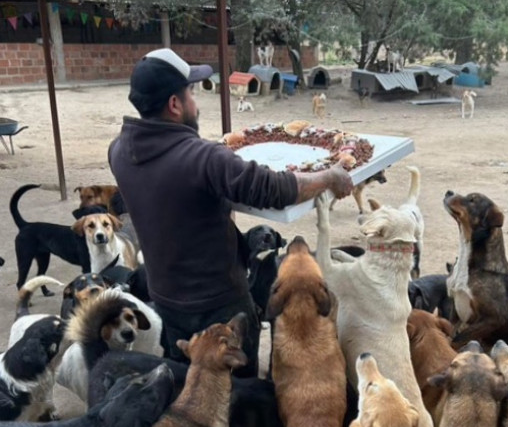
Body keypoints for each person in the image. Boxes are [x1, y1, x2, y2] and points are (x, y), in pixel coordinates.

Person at [109, 48, 353, 377]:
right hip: (217, 303)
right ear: (174, 104)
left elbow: (176, 173)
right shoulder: (203, 158)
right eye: (191, 93)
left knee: (189, 382)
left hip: (166, 297)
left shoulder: (120, 151)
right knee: (238, 393)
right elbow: (276, 188)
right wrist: (330, 176)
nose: (195, 102)